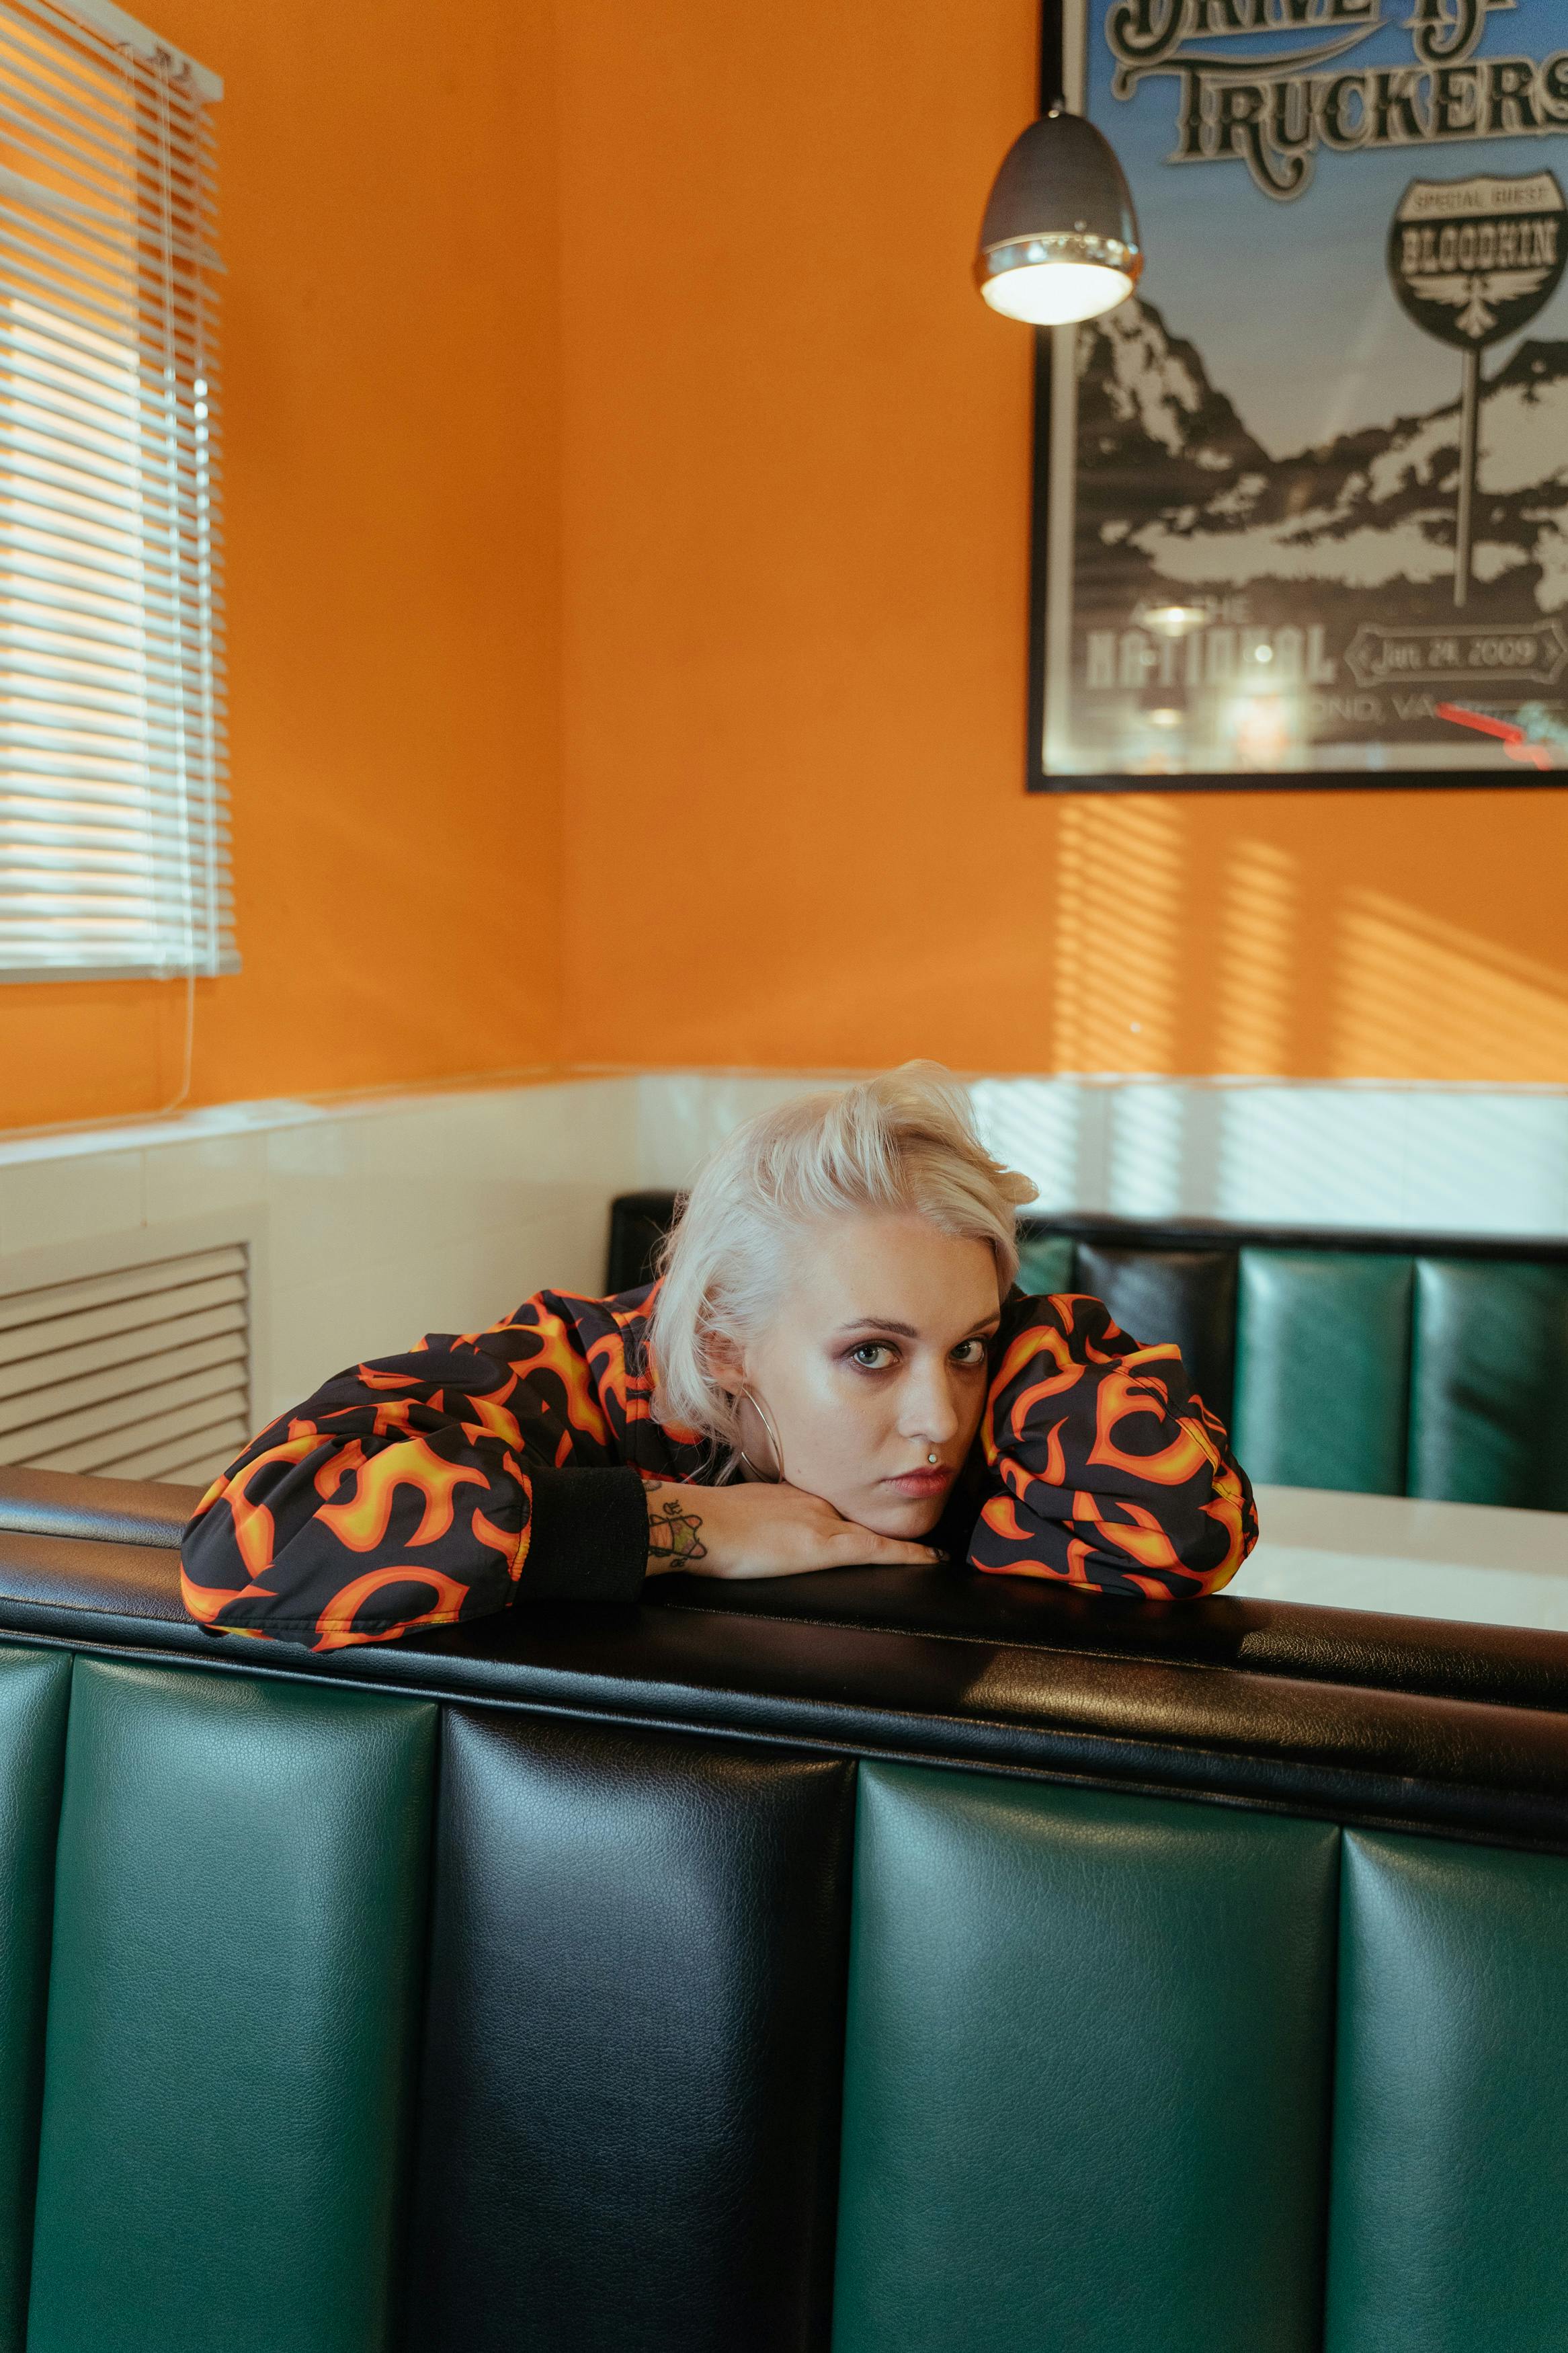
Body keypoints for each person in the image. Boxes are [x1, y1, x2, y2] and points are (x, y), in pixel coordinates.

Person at [181, 1065, 1256, 1652]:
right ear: (720, 1345)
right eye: (871, 1353)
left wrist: (1004, 1340)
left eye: (966, 1348)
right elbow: (250, 1538)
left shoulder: (1004, 1387)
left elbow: (1186, 1527)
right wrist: (674, 1529)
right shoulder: (576, 1368)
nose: (937, 1417)